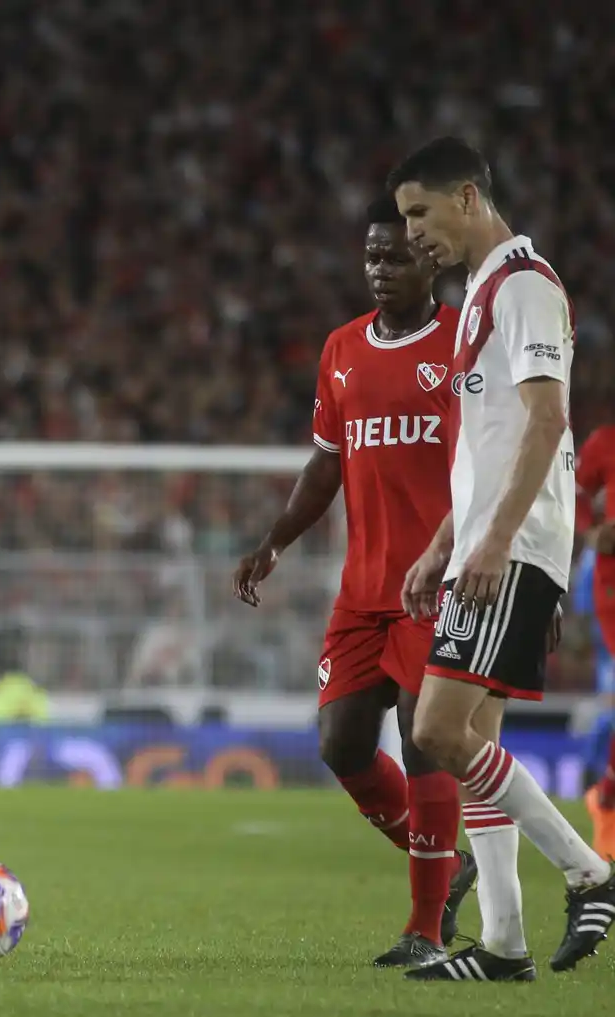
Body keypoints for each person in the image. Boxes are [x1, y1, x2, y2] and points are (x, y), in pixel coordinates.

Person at [390, 136, 614, 982]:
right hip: (488, 544)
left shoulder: (523, 283)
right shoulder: (486, 288)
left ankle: (591, 874)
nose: (413, 233)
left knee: (438, 729)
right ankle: (504, 944)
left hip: (511, 547)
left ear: (470, 197)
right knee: (475, 736)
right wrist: (445, 541)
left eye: (421, 212)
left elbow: (548, 420)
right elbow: (491, 445)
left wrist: (489, 542)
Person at [234, 196, 473, 968]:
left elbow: (492, 463)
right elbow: (328, 461)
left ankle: (426, 925)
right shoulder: (342, 349)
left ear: (429, 260)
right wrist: (276, 539)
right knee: (340, 745)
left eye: (394, 255)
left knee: (421, 735)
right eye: (371, 256)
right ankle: (448, 860)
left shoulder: (461, 343)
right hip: (361, 590)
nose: (378, 268)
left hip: (434, 584)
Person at [576, 422, 615, 859]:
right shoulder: (603, 440)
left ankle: (606, 796)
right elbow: (577, 493)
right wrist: (591, 531)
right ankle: (605, 802)